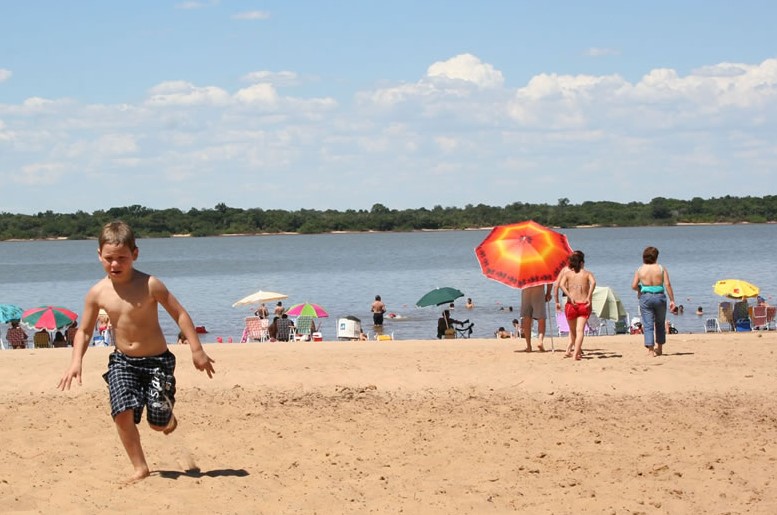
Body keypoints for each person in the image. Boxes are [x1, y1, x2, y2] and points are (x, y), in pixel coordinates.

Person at [57, 220, 215, 483]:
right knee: (121, 412)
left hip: (157, 362)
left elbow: (180, 314)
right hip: (122, 361)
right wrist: (76, 361)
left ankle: (167, 418)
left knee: (158, 423)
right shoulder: (97, 292)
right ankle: (140, 467)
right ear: (99, 255)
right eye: (109, 258)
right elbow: (84, 331)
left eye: (122, 258)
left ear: (135, 254)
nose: (115, 264)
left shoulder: (151, 284)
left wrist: (196, 349)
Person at [631, 246, 676, 357]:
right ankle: (659, 348)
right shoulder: (661, 268)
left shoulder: (640, 269)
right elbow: (667, 284)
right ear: (656, 257)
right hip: (660, 296)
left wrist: (640, 289)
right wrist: (672, 300)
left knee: (648, 324)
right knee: (660, 323)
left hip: (646, 297)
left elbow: (633, 285)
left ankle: (651, 350)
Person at [558, 250, 596, 360]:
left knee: (573, 331)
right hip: (583, 304)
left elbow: (561, 284)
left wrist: (569, 295)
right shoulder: (587, 274)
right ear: (581, 263)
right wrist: (589, 296)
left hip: (571, 304)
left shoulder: (568, 274)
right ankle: (576, 354)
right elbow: (593, 283)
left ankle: (576, 351)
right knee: (580, 331)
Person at [520, 283, 552, 352]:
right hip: (539, 291)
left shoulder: (524, 271)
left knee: (527, 318)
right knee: (541, 318)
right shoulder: (543, 271)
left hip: (526, 290)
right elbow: (549, 280)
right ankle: (540, 340)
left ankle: (529, 346)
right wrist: (548, 293)